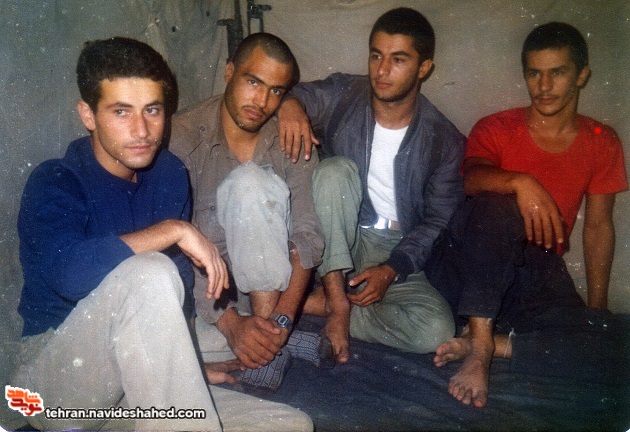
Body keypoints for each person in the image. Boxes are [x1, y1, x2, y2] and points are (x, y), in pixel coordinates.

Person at [12, 37, 312, 431]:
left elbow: (179, 292)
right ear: (88, 115)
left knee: (290, 425)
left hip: (130, 378)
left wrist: (190, 368)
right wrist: (174, 230)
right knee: (150, 271)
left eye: (152, 110)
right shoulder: (55, 179)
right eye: (121, 112)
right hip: (56, 382)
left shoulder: (168, 173)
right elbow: (69, 275)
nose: (141, 130)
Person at [425, 22, 628, 408]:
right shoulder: (497, 127)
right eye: (534, 73)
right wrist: (520, 181)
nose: (544, 85)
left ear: (582, 76)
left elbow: (599, 226)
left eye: (558, 72)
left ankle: (496, 344)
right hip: (473, 263)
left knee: (615, 342)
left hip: (538, 274)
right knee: (500, 204)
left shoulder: (602, 141)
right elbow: (472, 180)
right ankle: (480, 348)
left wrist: (596, 315)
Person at [277, 7, 464, 364]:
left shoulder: (443, 139)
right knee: (334, 171)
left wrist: (391, 270)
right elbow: (292, 92)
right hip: (341, 230)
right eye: (376, 56)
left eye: (398, 60)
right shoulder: (346, 94)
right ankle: (338, 306)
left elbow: (438, 221)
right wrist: (290, 105)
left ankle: (314, 304)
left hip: (397, 247)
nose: (381, 70)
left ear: (424, 68)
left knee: (436, 331)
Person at [169, 33, 325, 390]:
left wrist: (282, 320)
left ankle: (268, 344)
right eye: (253, 82)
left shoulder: (291, 136)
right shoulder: (181, 137)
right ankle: (276, 345)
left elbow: (308, 235)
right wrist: (230, 324)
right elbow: (174, 246)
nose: (262, 102)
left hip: (275, 288)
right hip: (212, 295)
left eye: (276, 91)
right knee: (169, 340)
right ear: (229, 72)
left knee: (251, 183)